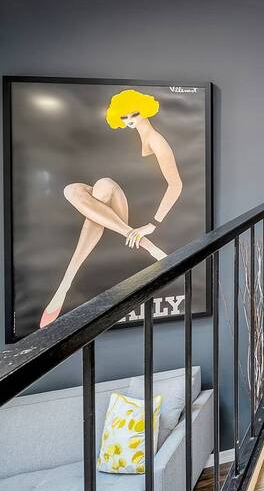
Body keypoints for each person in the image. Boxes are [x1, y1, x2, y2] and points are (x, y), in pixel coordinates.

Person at [39, 89, 183, 328]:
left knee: (104, 184)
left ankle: (65, 284)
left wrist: (152, 224)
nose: (129, 121)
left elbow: (176, 185)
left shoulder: (156, 141)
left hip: (131, 206)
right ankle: (135, 239)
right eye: (124, 117)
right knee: (72, 190)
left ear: (145, 109)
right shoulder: (124, 136)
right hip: (110, 207)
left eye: (133, 114)